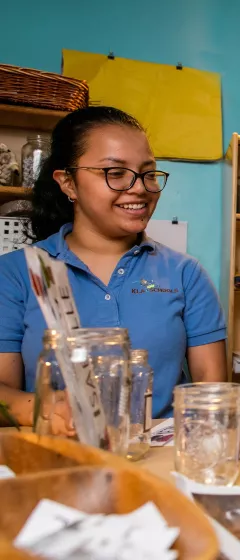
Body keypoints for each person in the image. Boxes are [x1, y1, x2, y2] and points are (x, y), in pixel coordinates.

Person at [0, 106, 227, 429]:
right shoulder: (15, 274)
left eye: (148, 173)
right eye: (115, 173)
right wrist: (46, 409)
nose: (139, 188)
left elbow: (211, 387)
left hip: (159, 461)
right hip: (59, 461)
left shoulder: (185, 273)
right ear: (68, 183)